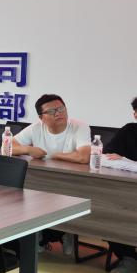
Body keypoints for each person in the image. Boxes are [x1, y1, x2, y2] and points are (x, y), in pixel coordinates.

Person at [11, 94, 91, 253]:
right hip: (42, 182)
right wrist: (28, 149)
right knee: (24, 195)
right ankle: (38, 235)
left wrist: (55, 155)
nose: (58, 113)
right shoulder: (35, 128)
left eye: (61, 109)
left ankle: (67, 232)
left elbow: (83, 157)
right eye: (52, 111)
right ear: (41, 117)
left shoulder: (79, 126)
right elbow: (7, 147)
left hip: (71, 183)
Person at [104, 97, 137, 273]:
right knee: (108, 212)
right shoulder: (129, 130)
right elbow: (108, 152)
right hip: (125, 191)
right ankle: (129, 259)